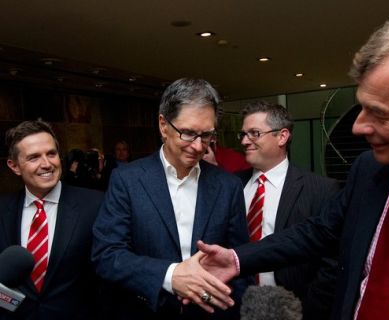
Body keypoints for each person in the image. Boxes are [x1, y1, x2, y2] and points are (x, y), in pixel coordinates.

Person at [195, 6, 389, 320]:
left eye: (381, 114)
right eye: (362, 107)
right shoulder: (369, 170)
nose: (358, 127)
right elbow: (316, 233)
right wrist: (236, 258)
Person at [91, 78, 251, 319]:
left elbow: (240, 263)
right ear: (163, 125)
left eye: (206, 135)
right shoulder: (127, 180)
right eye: (187, 133)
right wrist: (170, 275)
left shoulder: (228, 186)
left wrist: (221, 302)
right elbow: (107, 255)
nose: (198, 146)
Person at [235, 101, 339, 319]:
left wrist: (309, 310)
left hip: (292, 309)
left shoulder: (320, 189)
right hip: (235, 305)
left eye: (254, 133)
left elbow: (331, 261)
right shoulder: (231, 185)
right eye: (243, 134)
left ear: (282, 136)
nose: (245, 141)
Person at [0, 120, 104, 320]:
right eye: (34, 157)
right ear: (14, 166)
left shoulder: (95, 204)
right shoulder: (3, 209)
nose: (46, 164)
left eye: (51, 154)